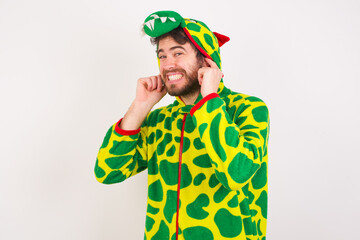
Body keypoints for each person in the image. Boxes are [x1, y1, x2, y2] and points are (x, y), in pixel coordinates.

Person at [95, 10, 270, 240]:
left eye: (178, 53)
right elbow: (107, 172)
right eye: (162, 56)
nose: (168, 65)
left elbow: (235, 174)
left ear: (207, 60)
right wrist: (140, 107)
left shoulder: (248, 109)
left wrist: (209, 98)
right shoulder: (160, 120)